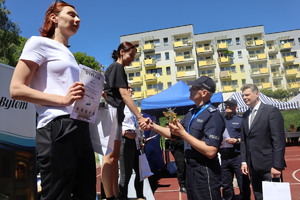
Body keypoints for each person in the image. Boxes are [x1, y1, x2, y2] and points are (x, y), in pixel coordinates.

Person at [9, 1, 96, 199]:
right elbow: (16, 88)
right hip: (56, 126)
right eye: (72, 14)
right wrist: (63, 99)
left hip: (81, 126)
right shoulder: (38, 43)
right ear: (53, 18)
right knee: (57, 195)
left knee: (87, 194)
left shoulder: (69, 54)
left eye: (78, 16)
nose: (78, 19)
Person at [143, 76, 225, 200]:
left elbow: (211, 151)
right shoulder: (192, 113)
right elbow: (173, 134)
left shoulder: (213, 115)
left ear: (204, 93)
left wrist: (183, 134)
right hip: (191, 169)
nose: (190, 90)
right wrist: (153, 126)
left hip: (205, 170)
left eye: (194, 88)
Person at [101, 42, 148, 200]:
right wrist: (139, 117)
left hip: (116, 114)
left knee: (114, 158)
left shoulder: (114, 69)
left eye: (134, 56)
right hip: (112, 113)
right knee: (109, 157)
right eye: (131, 55)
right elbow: (124, 95)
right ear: (122, 52)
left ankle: (115, 193)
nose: (132, 59)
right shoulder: (117, 67)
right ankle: (109, 196)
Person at [240, 84, 286, 200]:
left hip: (269, 166)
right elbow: (244, 140)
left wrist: (277, 165)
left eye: (247, 95)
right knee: (258, 196)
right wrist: (244, 161)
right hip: (253, 167)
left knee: (274, 197)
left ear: (257, 94)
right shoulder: (245, 115)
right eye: (243, 95)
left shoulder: (271, 111)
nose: (244, 98)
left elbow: (278, 140)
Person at [219, 98, 250, 200]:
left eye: (230, 105)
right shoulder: (220, 120)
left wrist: (236, 141)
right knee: (226, 185)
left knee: (243, 183)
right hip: (224, 157)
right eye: (226, 105)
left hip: (238, 156)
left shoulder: (241, 120)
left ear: (235, 107)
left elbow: (247, 139)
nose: (227, 106)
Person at [119, 86, 145, 200]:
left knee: (140, 173)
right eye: (128, 88)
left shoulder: (132, 107)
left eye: (131, 88)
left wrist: (141, 138)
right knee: (126, 175)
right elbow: (111, 124)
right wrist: (124, 133)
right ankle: (123, 197)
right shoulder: (118, 105)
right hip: (125, 141)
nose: (131, 90)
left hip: (136, 143)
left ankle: (140, 196)